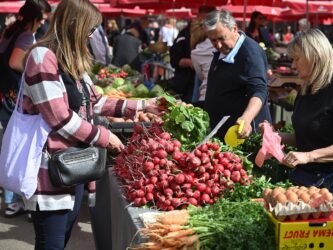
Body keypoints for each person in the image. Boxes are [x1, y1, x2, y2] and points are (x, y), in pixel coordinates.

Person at [21, 0, 159, 248]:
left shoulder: (71, 60)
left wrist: (143, 105)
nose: (91, 35)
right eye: (90, 29)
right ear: (75, 25)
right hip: (50, 169)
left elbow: (95, 102)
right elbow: (60, 117)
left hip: (74, 167)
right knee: (50, 242)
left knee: (61, 238)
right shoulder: (42, 57)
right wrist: (105, 137)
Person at [264, 29, 333, 241]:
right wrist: (275, 137)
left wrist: (308, 156)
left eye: (297, 59)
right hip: (311, 180)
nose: (293, 66)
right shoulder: (306, 89)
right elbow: (307, 137)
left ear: (314, 56)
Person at [0, 0, 46, 218]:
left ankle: (11, 200)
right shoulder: (26, 35)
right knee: (23, 148)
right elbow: (14, 63)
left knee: (10, 145)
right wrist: (34, 69)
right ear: (34, 19)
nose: (42, 24)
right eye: (41, 20)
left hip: (5, 97)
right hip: (16, 100)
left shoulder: (10, 32)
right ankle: (23, 200)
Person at [203, 9, 271, 140]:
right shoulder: (225, 49)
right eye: (213, 40)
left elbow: (259, 90)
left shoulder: (251, 54)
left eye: (222, 38)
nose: (218, 44)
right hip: (223, 133)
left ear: (234, 29)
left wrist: (246, 118)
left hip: (242, 137)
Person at [169, 5, 216, 103]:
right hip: (186, 83)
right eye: (203, 19)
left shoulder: (216, 37)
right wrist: (191, 62)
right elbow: (174, 59)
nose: (204, 24)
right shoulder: (185, 34)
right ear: (198, 16)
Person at [190, 19, 215, 107]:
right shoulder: (220, 46)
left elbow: (201, 76)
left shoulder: (195, 53)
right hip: (223, 96)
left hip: (205, 96)